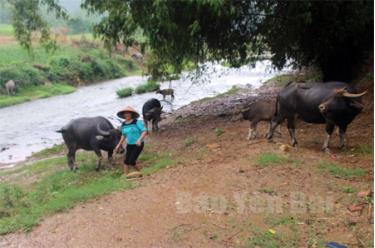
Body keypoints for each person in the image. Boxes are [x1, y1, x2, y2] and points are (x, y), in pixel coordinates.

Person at [114, 106, 147, 175]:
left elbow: (144, 131)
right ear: (123, 115)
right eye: (125, 113)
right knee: (126, 161)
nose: (126, 114)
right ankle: (126, 176)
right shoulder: (123, 124)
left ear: (132, 114)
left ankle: (140, 173)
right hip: (129, 145)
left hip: (138, 144)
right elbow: (124, 135)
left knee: (132, 161)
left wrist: (139, 140)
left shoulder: (137, 122)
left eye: (128, 113)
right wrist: (119, 145)